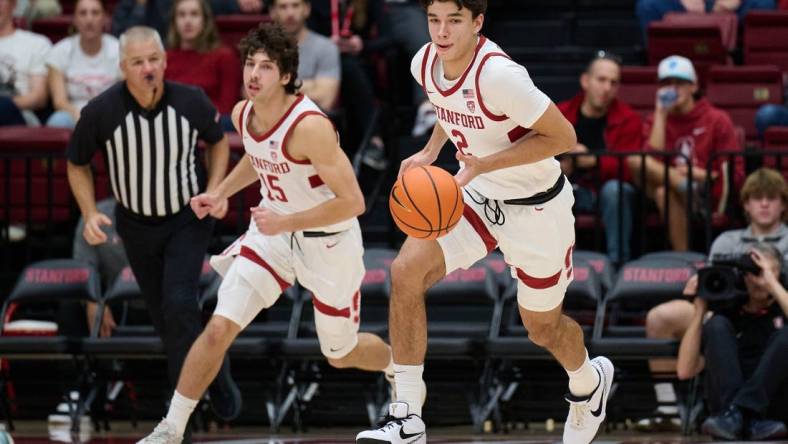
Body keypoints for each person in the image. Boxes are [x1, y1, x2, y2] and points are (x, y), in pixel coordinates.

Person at [356, 1, 613, 443]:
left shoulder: (499, 76)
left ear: (477, 22)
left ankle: (589, 383)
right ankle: (407, 416)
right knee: (405, 271)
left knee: (542, 327)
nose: (441, 32)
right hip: (476, 192)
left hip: (536, 206)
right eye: (434, 20)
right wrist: (429, 152)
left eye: (454, 21)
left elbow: (564, 136)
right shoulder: (425, 62)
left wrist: (486, 163)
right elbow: (445, 105)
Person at [136, 23, 396, 444]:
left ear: (288, 76)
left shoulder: (311, 127)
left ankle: (395, 364)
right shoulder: (243, 112)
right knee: (219, 327)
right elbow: (257, 157)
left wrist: (288, 222)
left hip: (327, 241)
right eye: (250, 64)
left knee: (340, 353)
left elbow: (354, 203)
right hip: (273, 236)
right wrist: (219, 192)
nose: (253, 74)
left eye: (266, 67)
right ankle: (171, 428)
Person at [65, 26, 239, 442]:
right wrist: (89, 212)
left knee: (179, 303)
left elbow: (218, 143)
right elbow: (76, 162)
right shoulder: (101, 111)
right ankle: (217, 369)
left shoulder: (191, 100)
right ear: (122, 67)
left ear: (164, 61)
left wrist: (215, 189)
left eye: (153, 60)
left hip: (186, 219)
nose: (147, 69)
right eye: (137, 62)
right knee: (166, 321)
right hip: (134, 226)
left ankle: (178, 413)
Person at [643, 167, 788, 428]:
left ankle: (737, 412)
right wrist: (702, 307)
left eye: (772, 197)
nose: (764, 204)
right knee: (704, 324)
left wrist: (770, 281)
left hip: (777, 310)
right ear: (746, 204)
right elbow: (714, 287)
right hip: (730, 309)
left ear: (783, 204)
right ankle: (669, 409)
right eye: (757, 197)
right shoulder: (726, 241)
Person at [629, 55, 744, 251]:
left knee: (663, 189)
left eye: (680, 83)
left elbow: (736, 173)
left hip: (705, 193)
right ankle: (684, 257)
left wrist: (700, 174)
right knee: (638, 164)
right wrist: (661, 114)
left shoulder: (717, 119)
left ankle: (686, 190)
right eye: (667, 84)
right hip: (670, 191)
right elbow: (651, 163)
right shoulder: (655, 120)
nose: (673, 89)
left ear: (694, 86)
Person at [677, 243, 788, 441]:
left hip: (772, 416)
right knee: (716, 324)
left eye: (765, 272)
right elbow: (685, 370)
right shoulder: (728, 313)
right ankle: (736, 415)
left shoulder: (783, 307)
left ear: (779, 275)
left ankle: (741, 412)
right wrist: (700, 310)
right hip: (725, 422)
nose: (757, 279)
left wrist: (772, 283)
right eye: (751, 271)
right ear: (742, 275)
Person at [557, 51, 643, 265]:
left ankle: (618, 264)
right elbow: (537, 153)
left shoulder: (628, 118)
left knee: (615, 190)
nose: (607, 88)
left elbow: (632, 167)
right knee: (551, 186)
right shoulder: (561, 113)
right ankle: (555, 266)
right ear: (586, 81)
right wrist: (559, 166)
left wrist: (593, 161)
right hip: (572, 188)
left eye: (614, 83)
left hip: (609, 191)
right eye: (601, 80)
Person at [165, 0, 240, 131]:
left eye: (194, 14)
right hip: (172, 128)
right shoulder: (164, 58)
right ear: (174, 21)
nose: (187, 21)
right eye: (181, 15)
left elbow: (228, 107)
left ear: (205, 20)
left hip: (214, 128)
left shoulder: (224, 56)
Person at [46, 0, 121, 129]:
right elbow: (60, 102)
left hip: (111, 113)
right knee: (58, 121)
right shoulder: (60, 51)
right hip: (74, 114)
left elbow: (125, 97)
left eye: (95, 13)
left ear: (104, 18)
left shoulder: (120, 49)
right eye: (83, 13)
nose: (89, 19)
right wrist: (82, 115)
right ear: (74, 19)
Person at [269, 0, 340, 112]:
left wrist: (276, 86)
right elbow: (250, 95)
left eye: (296, 5)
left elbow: (326, 100)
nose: (290, 13)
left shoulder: (326, 47)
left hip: (312, 124)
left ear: (307, 9)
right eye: (283, 7)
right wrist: (309, 85)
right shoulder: (263, 48)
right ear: (273, 12)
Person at [0, 0, 51, 126]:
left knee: (5, 107)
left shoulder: (36, 43)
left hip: (21, 115)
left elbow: (39, 97)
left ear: (14, 5)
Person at [635, 0, 776, 42]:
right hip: (684, 7)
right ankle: (663, 69)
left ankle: (752, 71)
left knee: (764, 4)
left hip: (732, 8)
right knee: (648, 6)